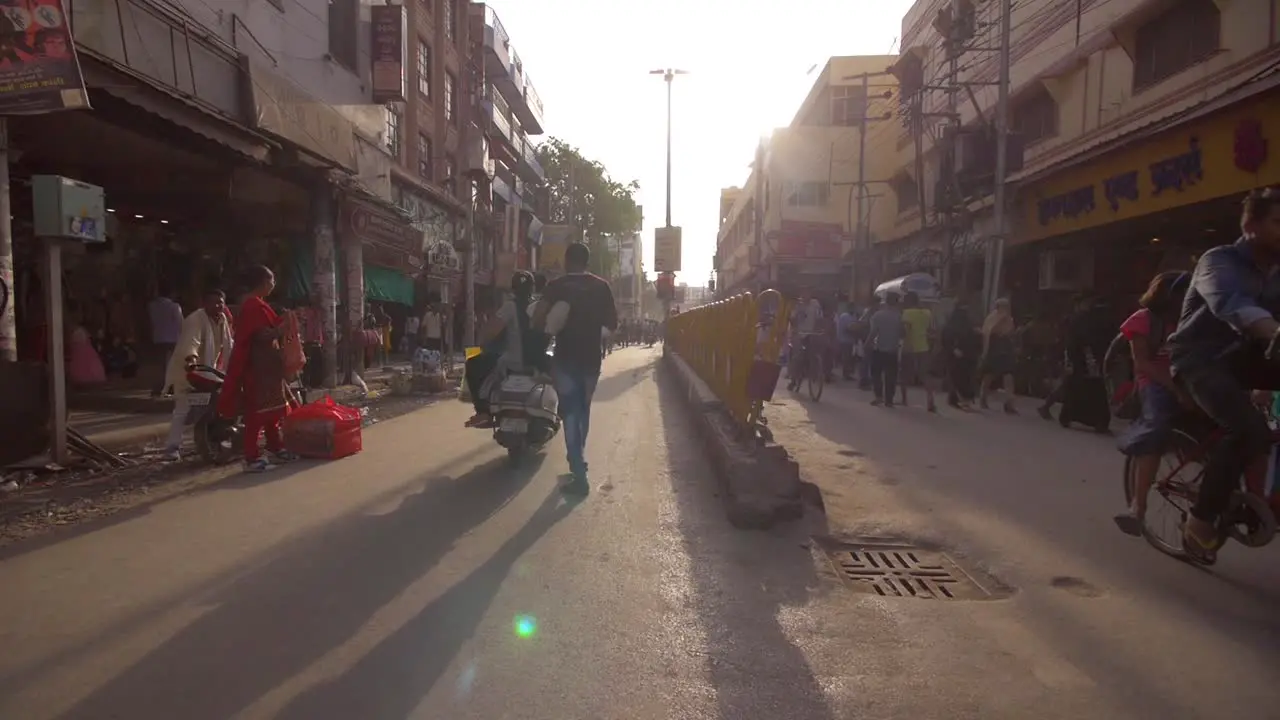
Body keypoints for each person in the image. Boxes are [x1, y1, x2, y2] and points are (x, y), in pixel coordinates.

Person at [1165, 188, 1280, 563]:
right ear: (1250, 225)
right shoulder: (1219, 261)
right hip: (1200, 359)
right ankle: (1200, 520)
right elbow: (1231, 304)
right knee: (1249, 431)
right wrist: (1273, 332)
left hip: (1249, 358)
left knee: (1257, 434)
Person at [532, 242, 618, 495]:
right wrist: (593, 334)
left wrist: (542, 331)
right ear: (587, 261)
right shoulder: (601, 286)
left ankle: (579, 475)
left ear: (567, 260)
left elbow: (539, 316)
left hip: (565, 359)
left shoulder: (556, 286)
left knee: (569, 412)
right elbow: (612, 324)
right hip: (591, 359)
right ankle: (578, 458)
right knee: (583, 409)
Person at [1114, 272, 1192, 535]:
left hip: (1189, 379)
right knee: (1156, 431)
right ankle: (1138, 506)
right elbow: (1143, 363)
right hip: (1154, 382)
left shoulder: (1193, 318)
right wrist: (1175, 390)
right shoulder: (1143, 320)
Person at [216, 266, 296, 473]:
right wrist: (282, 328)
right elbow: (260, 336)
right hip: (257, 370)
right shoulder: (252, 306)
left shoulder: (260, 305)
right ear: (262, 281)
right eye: (271, 280)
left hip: (269, 369)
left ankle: (275, 446)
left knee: (274, 411)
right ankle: (251, 457)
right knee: (257, 414)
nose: (273, 284)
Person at [161, 290, 233, 461]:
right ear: (204, 303)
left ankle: (215, 438)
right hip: (188, 370)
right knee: (182, 409)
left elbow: (229, 344)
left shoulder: (222, 319)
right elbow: (191, 342)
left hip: (209, 370)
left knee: (216, 404)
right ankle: (172, 447)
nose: (218, 306)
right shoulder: (195, 319)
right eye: (213, 302)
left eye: (220, 302)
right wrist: (191, 359)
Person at [463, 271, 541, 428]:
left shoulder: (510, 306)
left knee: (472, 362)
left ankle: (482, 411)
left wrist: (480, 343)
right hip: (540, 362)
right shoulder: (539, 306)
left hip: (512, 363)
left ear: (512, 289)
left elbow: (491, 331)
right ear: (532, 289)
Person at [1054, 295, 1115, 432]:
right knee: (1091, 389)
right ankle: (1097, 421)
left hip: (1083, 360)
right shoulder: (1083, 320)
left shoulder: (1082, 319)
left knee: (1078, 387)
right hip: (1086, 359)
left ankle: (1069, 416)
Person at [899, 291, 937, 412]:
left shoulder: (906, 314)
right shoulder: (927, 313)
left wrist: (906, 344)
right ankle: (930, 400)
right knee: (925, 374)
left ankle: (904, 399)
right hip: (923, 347)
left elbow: (906, 330)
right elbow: (931, 330)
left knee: (904, 374)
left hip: (909, 347)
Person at [980, 298, 1018, 414]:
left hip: (1005, 349)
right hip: (994, 349)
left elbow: (1010, 332)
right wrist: (1001, 320)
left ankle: (1009, 403)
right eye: (1004, 306)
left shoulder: (1009, 318)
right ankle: (983, 398)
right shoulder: (992, 318)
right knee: (989, 375)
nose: (1006, 309)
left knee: (1008, 376)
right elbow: (989, 332)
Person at [866, 293, 904, 407]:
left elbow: (873, 332)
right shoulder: (899, 316)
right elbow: (903, 333)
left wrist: (867, 344)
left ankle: (878, 396)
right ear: (897, 302)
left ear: (886, 302)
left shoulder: (878, 315)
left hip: (879, 349)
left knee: (876, 374)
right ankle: (889, 400)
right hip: (893, 350)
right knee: (891, 376)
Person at [942, 302, 980, 409]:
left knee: (959, 377)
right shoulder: (957, 325)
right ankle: (960, 399)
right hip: (959, 354)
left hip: (963, 354)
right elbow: (946, 339)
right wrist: (953, 349)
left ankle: (957, 398)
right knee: (958, 377)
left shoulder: (960, 325)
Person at [147, 285, 184, 397]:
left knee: (160, 364)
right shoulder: (174, 306)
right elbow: (180, 322)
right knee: (171, 364)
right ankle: (169, 386)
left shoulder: (152, 306)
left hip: (158, 337)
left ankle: (158, 386)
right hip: (172, 338)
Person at [836, 303, 857, 381]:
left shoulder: (853, 316)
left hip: (850, 340)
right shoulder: (845, 316)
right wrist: (856, 329)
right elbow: (848, 328)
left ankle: (848, 373)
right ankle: (846, 374)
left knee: (849, 357)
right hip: (844, 340)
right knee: (846, 357)